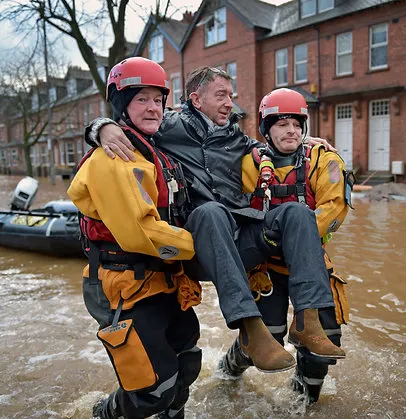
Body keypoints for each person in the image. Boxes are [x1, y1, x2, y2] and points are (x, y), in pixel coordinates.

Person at [85, 66, 346, 374]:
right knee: (211, 210)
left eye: (231, 96)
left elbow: (272, 147)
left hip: (237, 239)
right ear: (196, 99)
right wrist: (101, 127)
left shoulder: (238, 138)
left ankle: (308, 321)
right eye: (221, 95)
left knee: (297, 213)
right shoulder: (166, 125)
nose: (229, 103)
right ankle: (250, 328)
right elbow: (134, 121)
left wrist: (303, 139)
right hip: (199, 244)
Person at [68, 57, 202, 419]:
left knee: (186, 366)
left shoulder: (157, 149)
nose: (153, 107)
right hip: (122, 283)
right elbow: (141, 233)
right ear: (122, 105)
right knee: (154, 387)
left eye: (158, 100)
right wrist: (203, 249)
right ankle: (104, 414)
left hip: (163, 280)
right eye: (141, 99)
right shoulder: (113, 157)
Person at [218, 88, 353, 403]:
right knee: (268, 336)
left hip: (310, 264)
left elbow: (334, 210)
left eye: (296, 123)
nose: (291, 130)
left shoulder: (324, 159)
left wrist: (294, 236)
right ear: (266, 129)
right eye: (281, 124)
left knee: (326, 339)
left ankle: (303, 399)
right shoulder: (247, 163)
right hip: (265, 266)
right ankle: (229, 368)